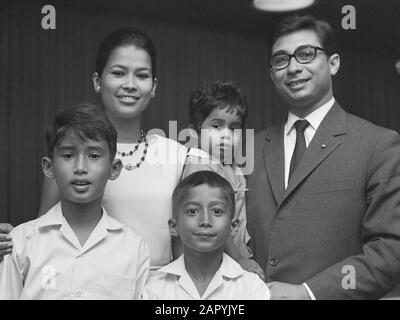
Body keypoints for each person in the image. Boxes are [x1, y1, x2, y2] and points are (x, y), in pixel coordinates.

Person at [0, 28, 188, 269]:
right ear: (98, 81)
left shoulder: (176, 155)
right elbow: (44, 234)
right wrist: (12, 241)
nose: (130, 85)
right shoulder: (71, 154)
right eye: (119, 73)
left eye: (141, 75)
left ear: (153, 86)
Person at [246, 14, 400, 299]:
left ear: (333, 63)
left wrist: (309, 293)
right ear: (271, 74)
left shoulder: (379, 144)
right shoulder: (250, 149)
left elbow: (391, 246)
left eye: (306, 54)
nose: (293, 67)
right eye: (281, 59)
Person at [0, 104, 150, 299]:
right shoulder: (21, 242)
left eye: (94, 156)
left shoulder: (133, 248)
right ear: (49, 167)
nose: (80, 167)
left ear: (114, 168)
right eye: (68, 155)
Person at [181, 80, 264, 280]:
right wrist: (239, 261)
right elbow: (212, 220)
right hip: (213, 263)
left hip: (232, 258)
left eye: (234, 128)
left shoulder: (231, 166)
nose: (226, 135)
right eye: (216, 126)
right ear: (195, 131)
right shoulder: (199, 164)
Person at [142, 171, 270, 300]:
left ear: (233, 226)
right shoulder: (155, 288)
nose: (205, 221)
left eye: (217, 211)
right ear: (174, 226)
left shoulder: (252, 288)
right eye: (192, 211)